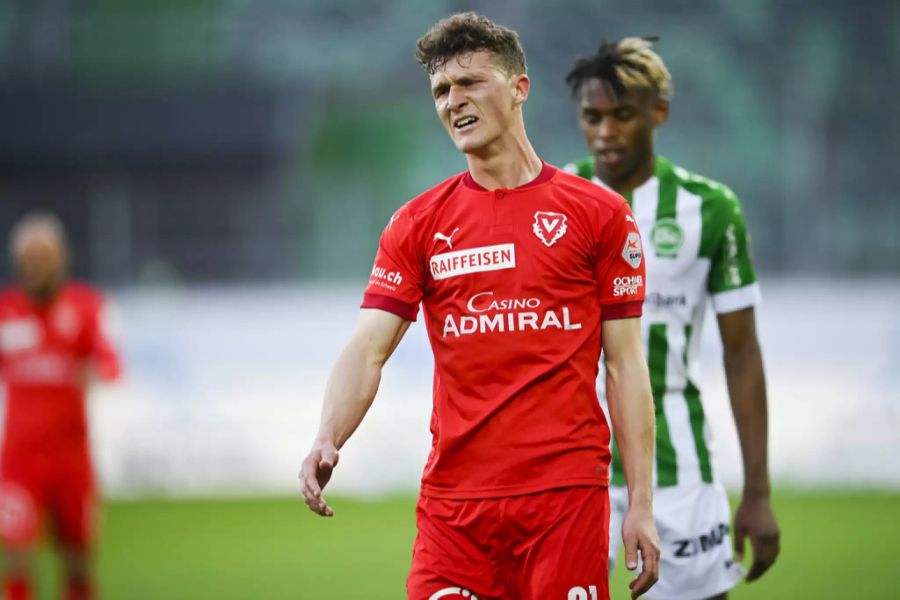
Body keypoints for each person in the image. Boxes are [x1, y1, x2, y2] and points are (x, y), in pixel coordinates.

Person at [300, 12, 660, 600]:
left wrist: (641, 504)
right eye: (442, 90)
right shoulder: (418, 224)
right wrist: (326, 435)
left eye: (470, 82)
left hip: (563, 502)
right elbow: (368, 348)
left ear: (520, 88)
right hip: (454, 511)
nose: (453, 101)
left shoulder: (599, 215)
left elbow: (625, 366)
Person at [563, 38, 780, 599]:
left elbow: (742, 353)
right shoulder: (553, 202)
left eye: (623, 115)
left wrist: (756, 490)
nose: (606, 132)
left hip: (678, 475)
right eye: (593, 117)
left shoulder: (712, 209)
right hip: (568, 475)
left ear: (658, 112)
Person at [0, 213, 122, 600]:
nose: (37, 267)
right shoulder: (5, 313)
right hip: (19, 463)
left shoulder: (86, 308)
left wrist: (96, 370)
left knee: (77, 564)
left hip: (72, 462)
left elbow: (111, 364)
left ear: (61, 259)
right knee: (18, 560)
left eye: (45, 258)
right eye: (30, 259)